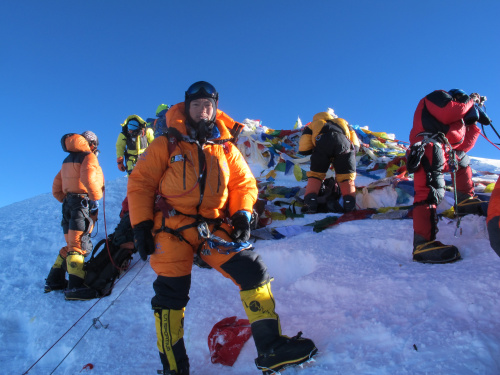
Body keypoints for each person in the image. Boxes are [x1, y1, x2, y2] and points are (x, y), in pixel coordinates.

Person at [127, 81, 317, 374]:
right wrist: (140, 225)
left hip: (212, 229)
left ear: (215, 109)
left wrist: (242, 214)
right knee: (170, 293)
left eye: (208, 105)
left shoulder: (225, 147)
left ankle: (271, 349)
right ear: (186, 109)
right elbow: (141, 183)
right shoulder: (167, 143)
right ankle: (174, 368)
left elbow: (243, 183)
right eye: (197, 105)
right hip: (171, 227)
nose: (203, 111)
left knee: (252, 269)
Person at [408, 89, 491, 264]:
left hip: (444, 151)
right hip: (428, 147)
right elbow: (449, 112)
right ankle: (423, 245)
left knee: (463, 159)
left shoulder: (457, 120)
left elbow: (463, 144)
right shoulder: (437, 96)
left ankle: (464, 201)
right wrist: (470, 100)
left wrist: (473, 122)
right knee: (429, 192)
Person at [45, 131, 104, 300]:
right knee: (79, 244)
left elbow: (56, 187)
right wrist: (94, 200)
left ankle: (54, 281)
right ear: (92, 143)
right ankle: (75, 287)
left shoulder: (67, 161)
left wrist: (66, 198)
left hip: (68, 205)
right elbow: (89, 178)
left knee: (71, 243)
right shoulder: (88, 157)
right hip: (81, 203)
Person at [298, 111, 359, 214]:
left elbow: (304, 147)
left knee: (316, 175)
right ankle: (349, 205)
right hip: (344, 144)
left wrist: (310, 151)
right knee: (346, 176)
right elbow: (356, 143)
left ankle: (310, 205)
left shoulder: (314, 124)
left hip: (322, 143)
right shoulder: (343, 122)